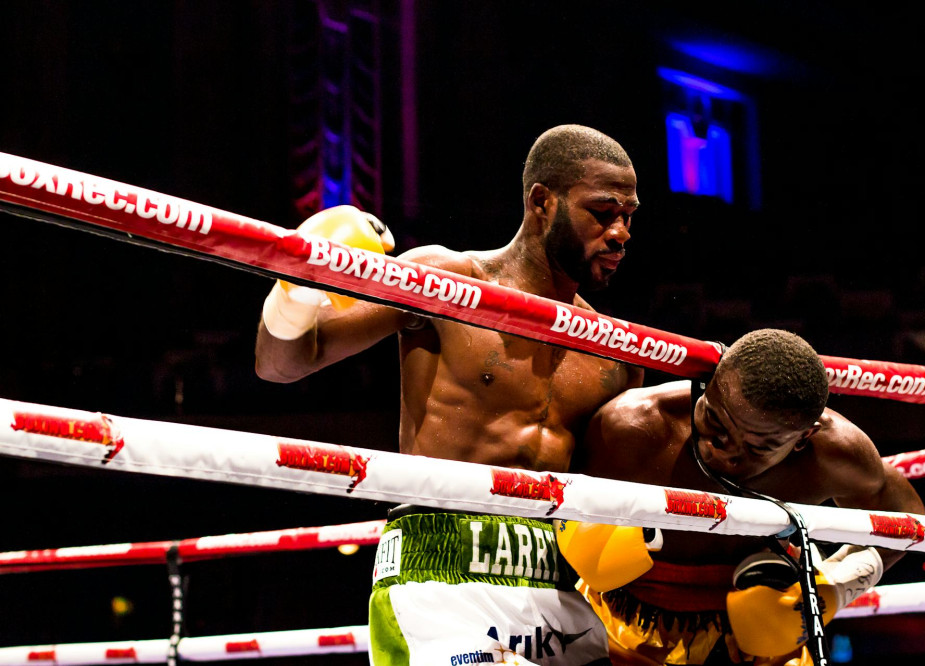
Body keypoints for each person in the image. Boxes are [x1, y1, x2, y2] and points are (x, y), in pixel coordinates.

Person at [255, 124, 645, 664]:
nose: (621, 233)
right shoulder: (446, 281)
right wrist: (297, 286)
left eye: (629, 216)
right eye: (602, 212)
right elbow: (281, 363)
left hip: (557, 583)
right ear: (542, 202)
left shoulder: (614, 352)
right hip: (439, 572)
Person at [557, 328, 925, 666]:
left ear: (802, 439)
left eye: (757, 446)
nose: (723, 450)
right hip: (623, 622)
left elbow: (905, 517)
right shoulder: (636, 429)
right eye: (714, 421)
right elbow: (562, 502)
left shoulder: (832, 455)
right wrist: (587, 539)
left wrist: (836, 586)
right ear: (708, 388)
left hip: (762, 628)